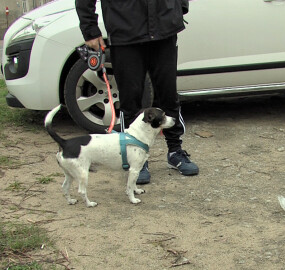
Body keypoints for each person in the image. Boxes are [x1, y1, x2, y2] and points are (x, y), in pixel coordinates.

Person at [75, 0, 199, 184]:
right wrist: (90, 29)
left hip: (163, 28)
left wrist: (178, 8)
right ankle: (136, 159)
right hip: (125, 31)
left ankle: (175, 151)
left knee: (168, 95)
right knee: (130, 100)